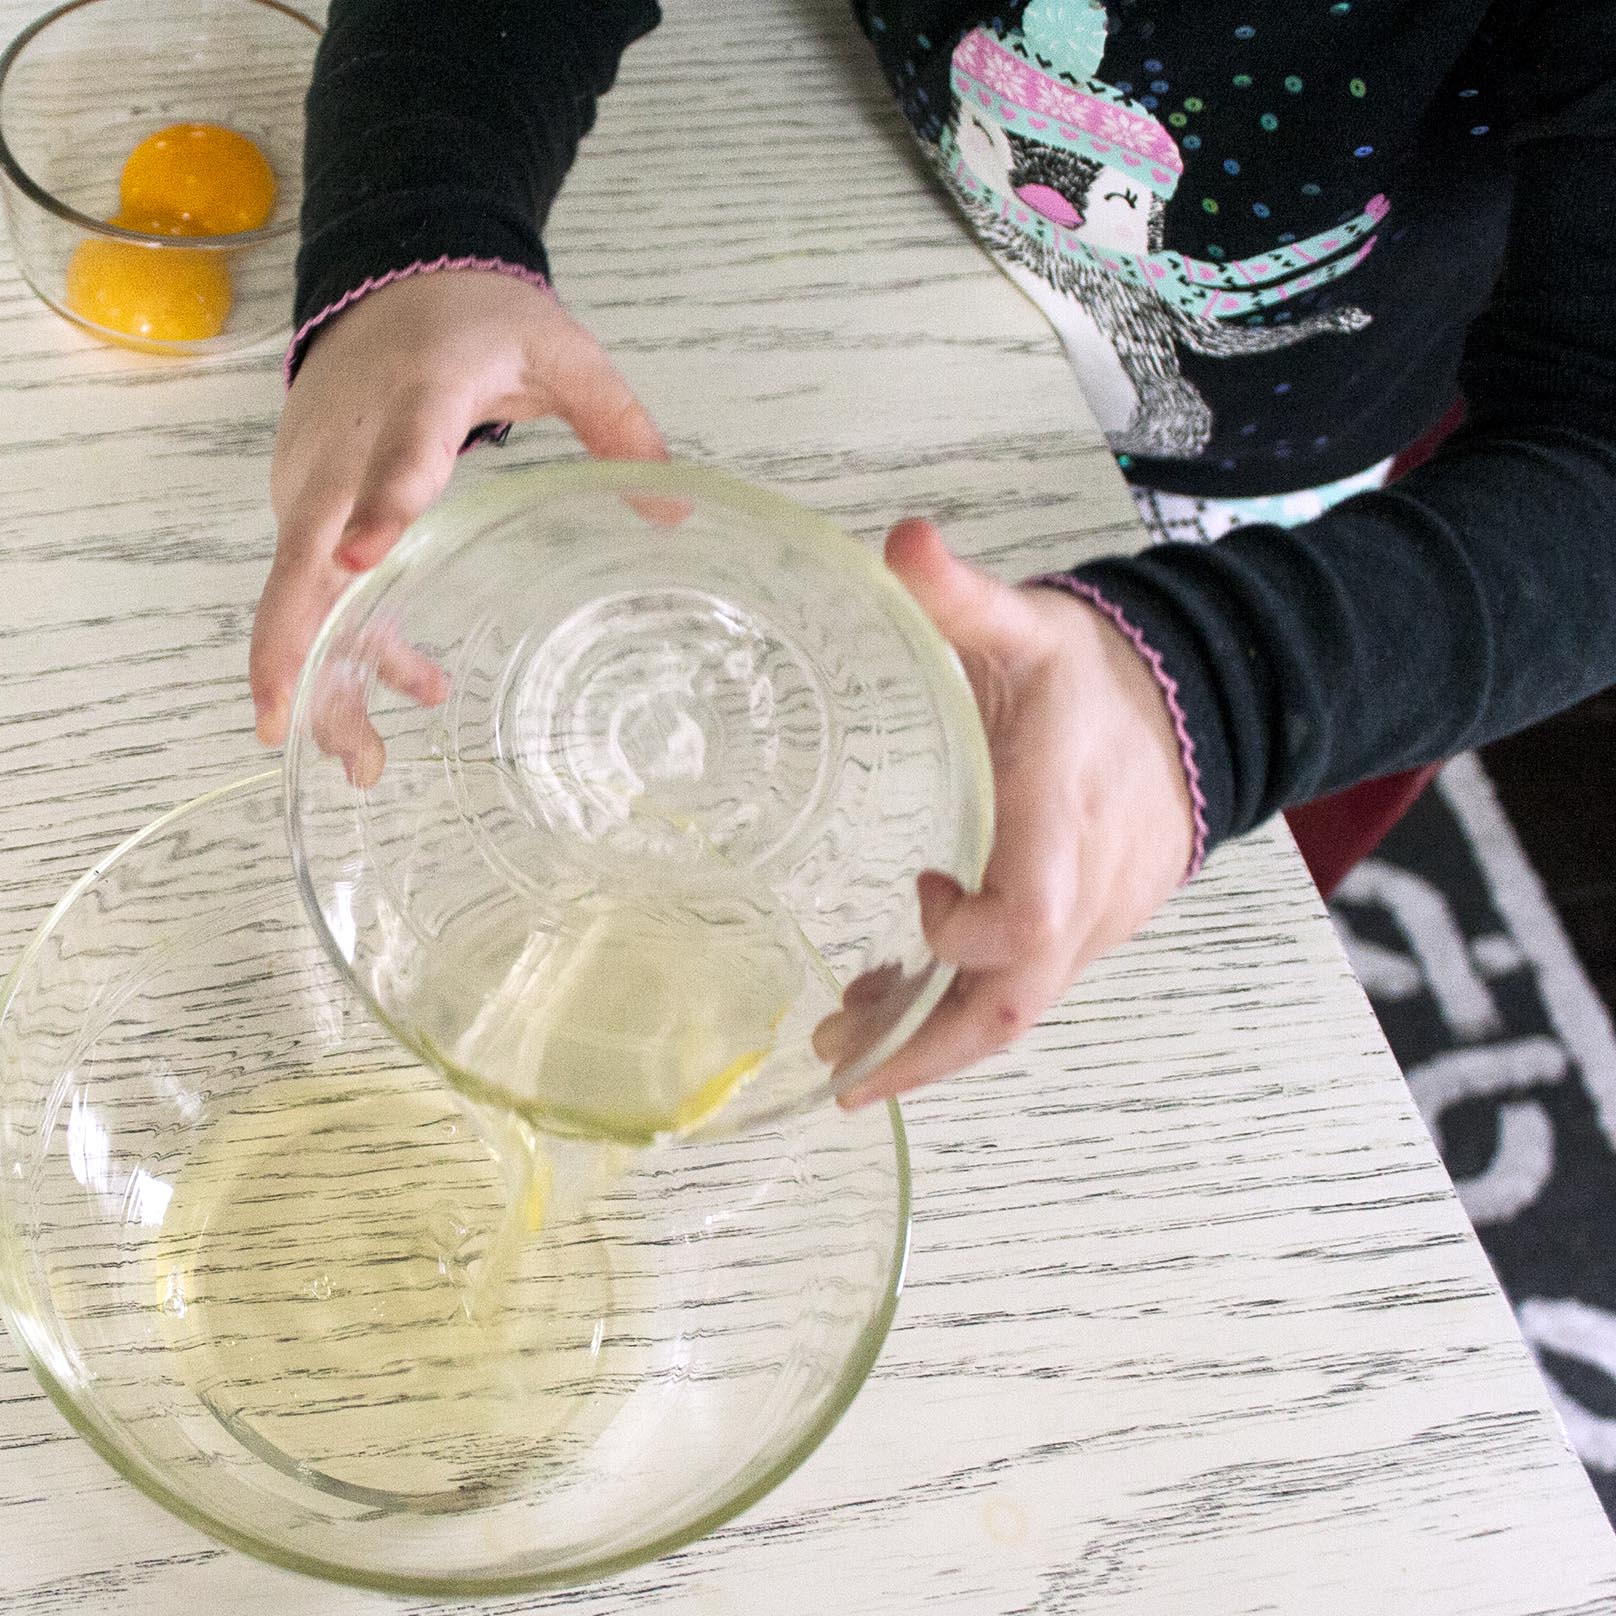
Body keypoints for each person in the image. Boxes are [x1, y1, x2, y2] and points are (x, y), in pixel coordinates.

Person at [249, 0, 1616, 1108]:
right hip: (895, 311)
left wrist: (1218, 696)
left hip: (1284, 554)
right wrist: (412, 235)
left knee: (1166, 976)